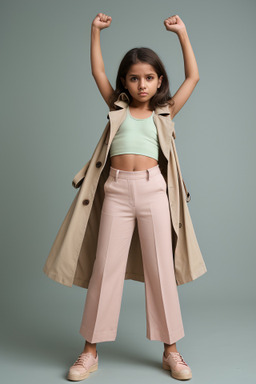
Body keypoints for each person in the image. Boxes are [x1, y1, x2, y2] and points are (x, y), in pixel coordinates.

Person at [67, 12, 201, 382]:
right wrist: (94, 31)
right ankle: (89, 352)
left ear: (159, 81)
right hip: (117, 190)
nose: (142, 85)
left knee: (161, 271)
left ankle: (171, 351)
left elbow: (194, 77)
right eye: (134, 78)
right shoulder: (118, 108)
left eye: (149, 78)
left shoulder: (165, 111)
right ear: (124, 81)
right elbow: (97, 72)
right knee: (104, 269)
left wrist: (183, 34)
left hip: (154, 190)